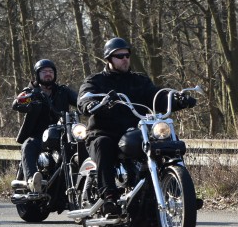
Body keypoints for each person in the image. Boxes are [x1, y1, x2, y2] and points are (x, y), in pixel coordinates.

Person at [77, 37, 196, 216]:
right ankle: (108, 196)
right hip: (104, 131)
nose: (125, 59)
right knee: (103, 144)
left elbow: (156, 95)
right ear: (109, 59)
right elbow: (85, 96)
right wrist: (90, 103)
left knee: (164, 141)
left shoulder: (139, 80)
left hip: (135, 131)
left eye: (127, 55)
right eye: (119, 56)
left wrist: (177, 99)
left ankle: (180, 191)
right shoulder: (96, 81)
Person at [13, 59, 78, 192]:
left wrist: (90, 104)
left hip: (61, 134)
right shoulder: (32, 92)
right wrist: (25, 103)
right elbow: (17, 103)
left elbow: (80, 101)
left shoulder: (63, 91)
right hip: (38, 135)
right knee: (28, 145)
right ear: (37, 74)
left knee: (80, 145)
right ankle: (32, 181)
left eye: (50, 71)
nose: (48, 74)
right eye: (44, 72)